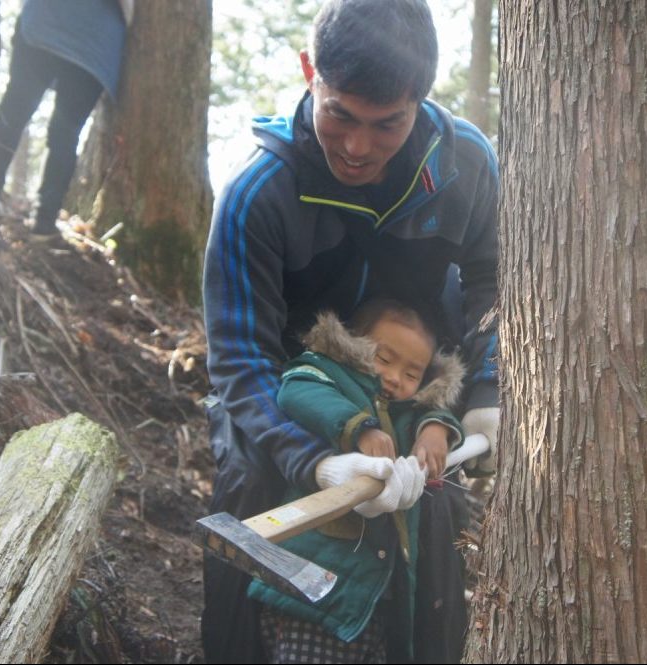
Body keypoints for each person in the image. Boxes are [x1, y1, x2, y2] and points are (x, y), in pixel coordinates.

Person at [201, 1, 499, 662]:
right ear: (311, 72)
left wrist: (485, 389)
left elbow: (491, 282)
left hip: (412, 395)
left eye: (386, 124)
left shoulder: (465, 168)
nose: (356, 147)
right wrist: (317, 458)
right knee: (249, 482)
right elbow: (239, 364)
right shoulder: (259, 193)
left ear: (418, 101)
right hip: (287, 398)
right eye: (339, 113)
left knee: (436, 514)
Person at [250, 301, 466, 663]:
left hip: (375, 605)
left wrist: (436, 429)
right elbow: (297, 389)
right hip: (315, 599)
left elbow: (431, 410)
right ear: (354, 344)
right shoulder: (328, 372)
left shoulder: (407, 411)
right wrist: (359, 427)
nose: (396, 377)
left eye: (412, 374)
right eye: (384, 358)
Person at [0, 0, 132, 240]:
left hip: (48, 21)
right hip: (96, 43)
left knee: (16, 108)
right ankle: (44, 221)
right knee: (65, 133)